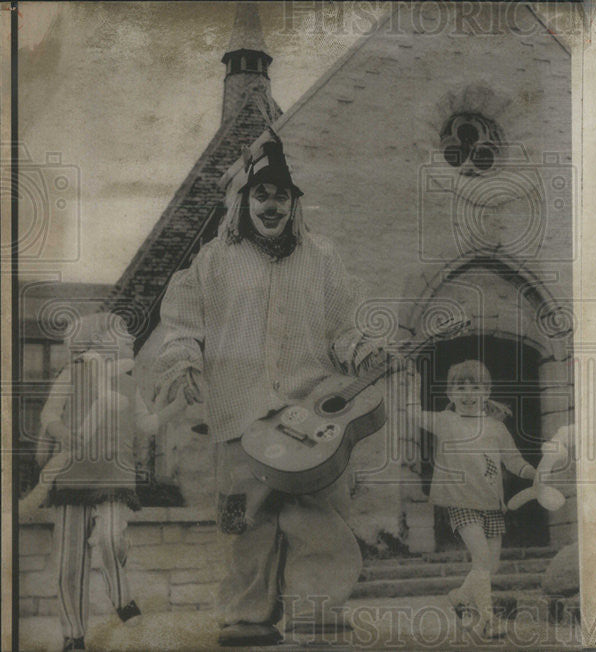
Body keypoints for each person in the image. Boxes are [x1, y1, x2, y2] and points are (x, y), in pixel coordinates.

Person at [150, 133, 377, 647]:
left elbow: (344, 325)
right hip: (239, 411)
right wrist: (183, 358)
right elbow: (183, 323)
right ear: (244, 201)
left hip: (309, 411)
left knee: (319, 512)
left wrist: (361, 349)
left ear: (294, 202)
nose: (271, 205)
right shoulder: (213, 261)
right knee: (242, 516)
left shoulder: (321, 259)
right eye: (261, 195)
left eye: (281, 195)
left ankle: (317, 614)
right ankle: (246, 616)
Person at [32, 312, 153, 651]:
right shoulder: (72, 374)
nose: (130, 338)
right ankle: (73, 635)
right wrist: (62, 433)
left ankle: (121, 597)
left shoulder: (130, 383)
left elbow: (144, 426)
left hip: (114, 478)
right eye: (123, 333)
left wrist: (140, 456)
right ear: (99, 342)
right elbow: (49, 415)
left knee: (113, 537)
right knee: (70, 562)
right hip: (73, 477)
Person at [407, 360, 537, 638]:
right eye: (460, 387)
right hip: (462, 502)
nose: (467, 394)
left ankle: (460, 596)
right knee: (480, 559)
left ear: (486, 392)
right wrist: (413, 382)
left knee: (490, 566)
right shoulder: (444, 421)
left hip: (492, 504)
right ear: (450, 394)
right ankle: (489, 622)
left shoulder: (496, 428)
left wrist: (533, 473)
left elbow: (513, 460)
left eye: (475, 387)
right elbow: (413, 414)